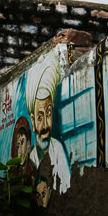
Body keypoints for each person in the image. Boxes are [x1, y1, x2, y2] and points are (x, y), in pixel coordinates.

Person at [25, 57, 70, 193]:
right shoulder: (31, 158)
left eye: (48, 113)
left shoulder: (58, 150)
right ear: (32, 121)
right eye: (40, 117)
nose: (45, 125)